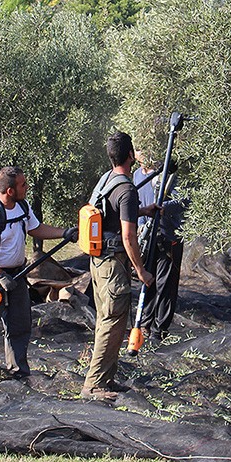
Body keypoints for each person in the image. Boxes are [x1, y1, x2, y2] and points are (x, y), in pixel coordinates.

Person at [0, 165, 77, 389]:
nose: (26, 188)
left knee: (20, 323)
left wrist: (63, 233)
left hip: (18, 274)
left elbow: (35, 228)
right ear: (9, 191)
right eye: (23, 185)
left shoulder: (22, 207)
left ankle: (18, 372)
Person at [82, 131, 156, 401]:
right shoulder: (126, 189)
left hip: (99, 262)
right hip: (113, 265)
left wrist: (143, 211)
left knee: (108, 321)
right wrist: (141, 271)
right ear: (130, 155)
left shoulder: (106, 180)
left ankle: (107, 380)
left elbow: (110, 213)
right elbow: (128, 236)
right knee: (112, 323)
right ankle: (93, 386)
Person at [135, 157, 186, 345]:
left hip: (169, 236)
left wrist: (165, 208)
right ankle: (145, 325)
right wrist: (140, 225)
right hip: (147, 238)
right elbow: (137, 203)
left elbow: (185, 200)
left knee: (166, 284)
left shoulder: (170, 176)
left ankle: (159, 331)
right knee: (148, 281)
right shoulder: (137, 176)